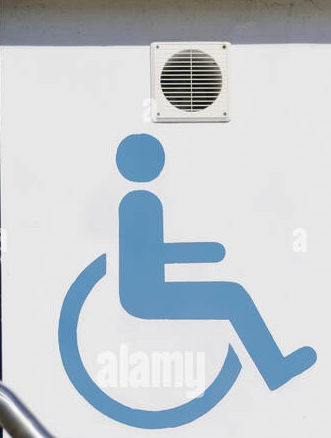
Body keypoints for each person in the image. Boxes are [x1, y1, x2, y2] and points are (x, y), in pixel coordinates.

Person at [114, 133, 316, 391]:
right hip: (145, 296)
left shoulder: (139, 201)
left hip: (149, 290)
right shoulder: (141, 203)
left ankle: (274, 367)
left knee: (232, 295)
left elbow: (149, 254)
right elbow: (148, 255)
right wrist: (206, 252)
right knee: (233, 296)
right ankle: (274, 368)